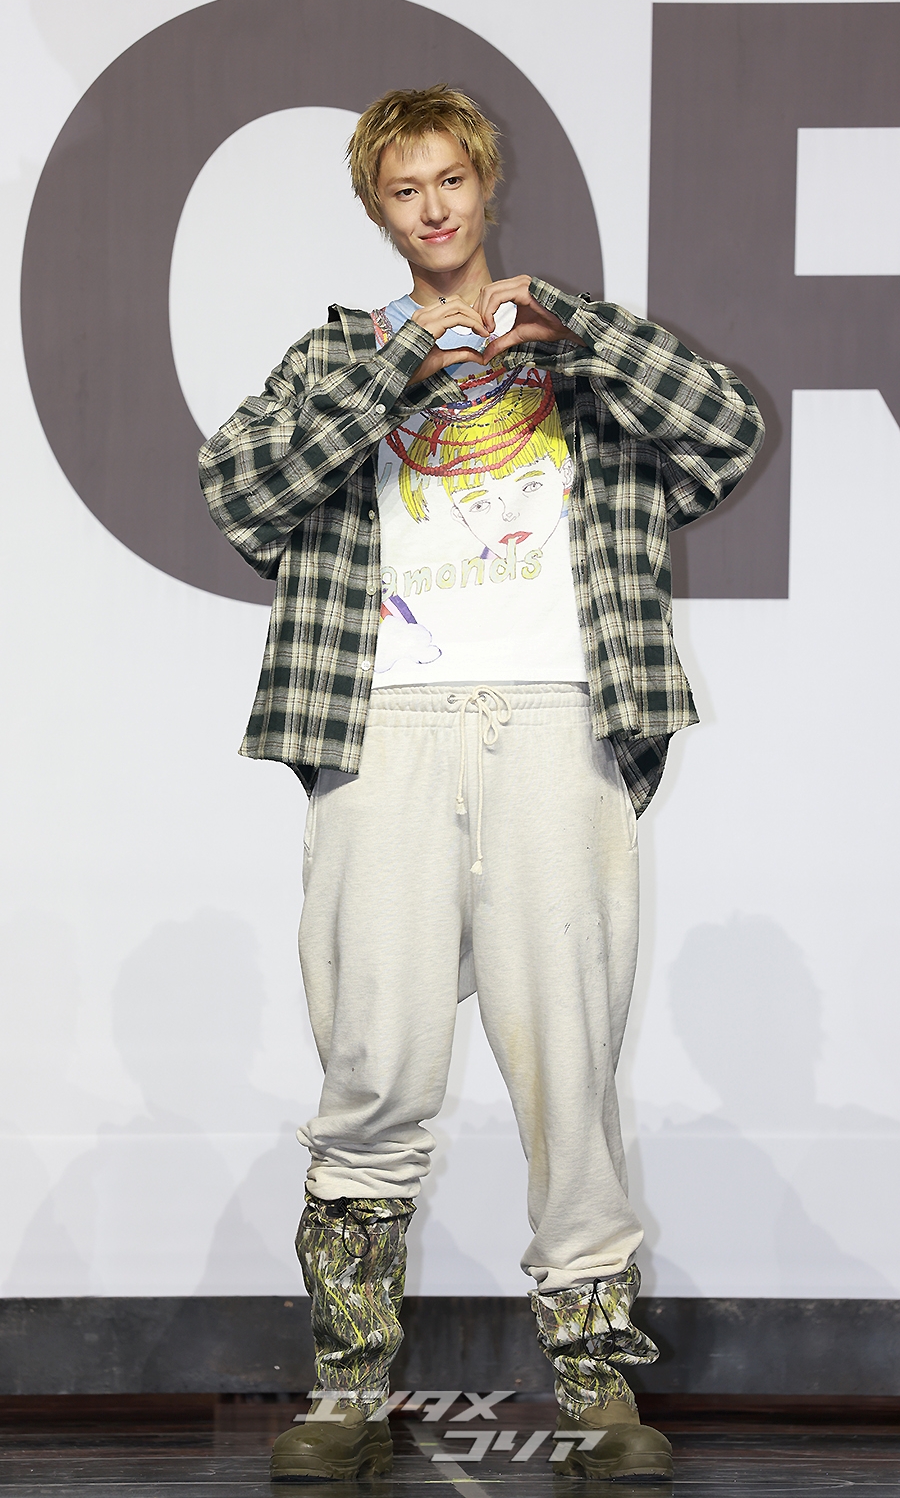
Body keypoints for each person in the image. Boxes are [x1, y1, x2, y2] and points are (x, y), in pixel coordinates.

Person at [199, 84, 764, 1482]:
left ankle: (595, 1387)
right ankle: (349, 1386)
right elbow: (240, 492)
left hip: (558, 718)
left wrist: (578, 331)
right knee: (372, 1058)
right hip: (382, 722)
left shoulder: (575, 350)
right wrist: (399, 360)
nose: (434, 207)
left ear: (484, 184)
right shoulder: (338, 355)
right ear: (378, 210)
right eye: (406, 190)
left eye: (450, 179)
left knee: (569, 1057)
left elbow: (727, 430)